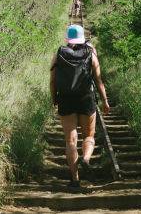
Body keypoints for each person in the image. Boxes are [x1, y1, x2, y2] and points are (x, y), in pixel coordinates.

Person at [50, 24, 110, 187]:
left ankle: (75, 180)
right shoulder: (91, 54)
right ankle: (85, 159)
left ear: (68, 39)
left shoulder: (59, 54)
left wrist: (54, 98)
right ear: (83, 37)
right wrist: (104, 100)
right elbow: (99, 81)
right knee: (89, 136)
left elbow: (53, 81)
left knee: (70, 140)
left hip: (66, 99)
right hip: (86, 98)